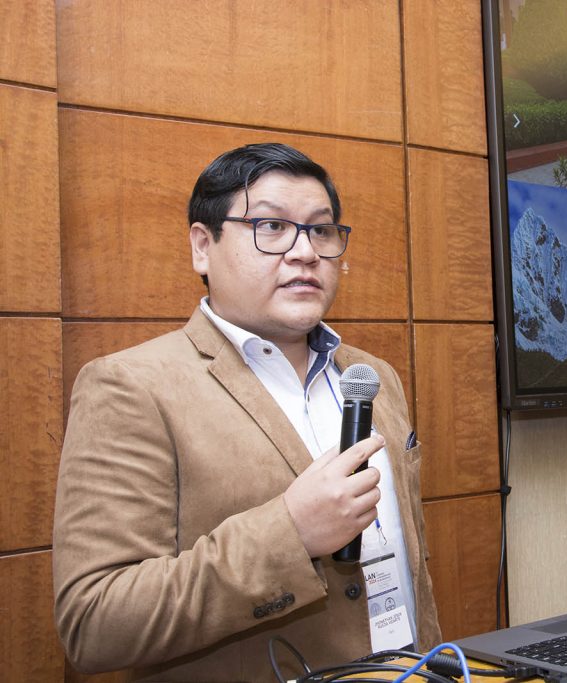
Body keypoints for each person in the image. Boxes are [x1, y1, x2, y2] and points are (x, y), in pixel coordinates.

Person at [52, 143, 442, 681]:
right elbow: (95, 623)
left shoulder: (374, 377)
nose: (305, 252)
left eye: (320, 230)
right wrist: (291, 533)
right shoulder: (130, 387)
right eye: (271, 226)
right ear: (202, 246)